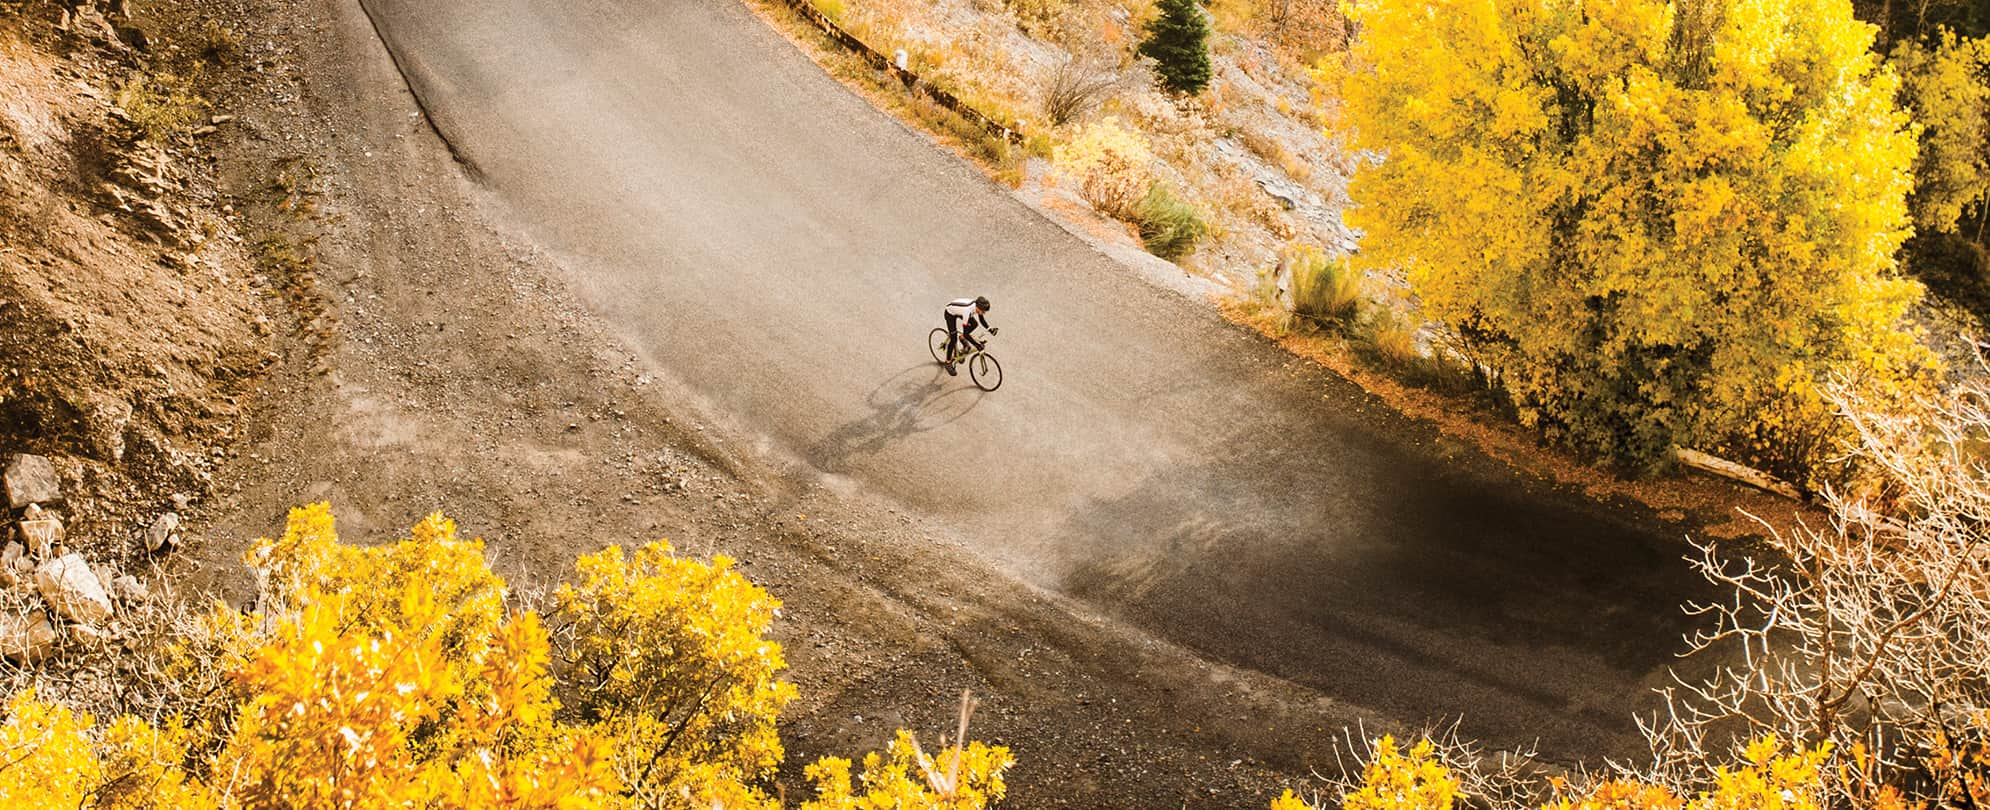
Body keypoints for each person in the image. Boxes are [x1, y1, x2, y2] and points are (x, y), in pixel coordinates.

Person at [941, 295, 996, 375]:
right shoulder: (967, 311)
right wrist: (977, 345)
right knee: (953, 339)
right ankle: (948, 362)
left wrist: (990, 329)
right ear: (978, 307)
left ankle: (961, 338)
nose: (984, 313)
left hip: (959, 310)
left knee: (974, 324)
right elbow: (967, 334)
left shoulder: (977, 306)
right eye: (983, 311)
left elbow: (981, 320)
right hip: (950, 314)